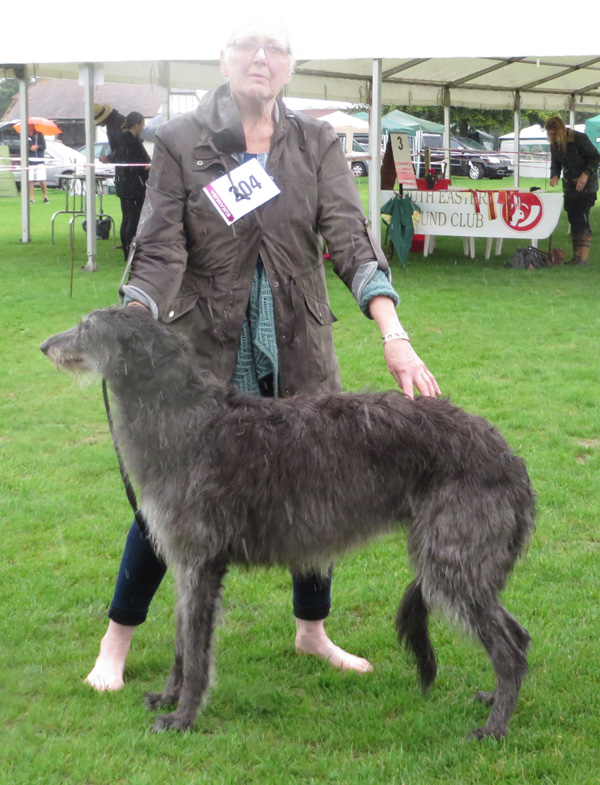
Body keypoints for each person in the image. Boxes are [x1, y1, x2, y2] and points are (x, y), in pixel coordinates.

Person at [85, 19, 440, 693]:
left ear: (289, 65)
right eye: (246, 45)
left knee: (312, 483)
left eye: (274, 47)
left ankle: (312, 630)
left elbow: (350, 238)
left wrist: (392, 331)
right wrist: (134, 315)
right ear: (221, 58)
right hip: (206, 357)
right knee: (170, 503)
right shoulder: (181, 140)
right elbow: (160, 247)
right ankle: (117, 639)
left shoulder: (317, 141)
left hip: (297, 342)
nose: (259, 57)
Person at [546, 115, 600, 266]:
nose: (552, 138)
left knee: (582, 220)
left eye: (554, 134)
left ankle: (583, 258)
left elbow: (595, 157)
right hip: (569, 187)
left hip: (586, 188)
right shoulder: (554, 144)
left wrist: (585, 174)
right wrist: (555, 175)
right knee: (573, 219)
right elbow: (555, 163)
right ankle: (576, 257)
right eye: (549, 135)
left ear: (562, 130)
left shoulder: (579, 139)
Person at [113, 112, 151, 260]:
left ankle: (127, 250)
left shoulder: (121, 139)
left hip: (124, 185)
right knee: (133, 220)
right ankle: (130, 252)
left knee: (127, 218)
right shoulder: (132, 142)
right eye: (142, 124)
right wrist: (148, 166)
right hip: (134, 186)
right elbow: (137, 165)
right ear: (136, 125)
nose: (143, 127)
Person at [27, 123, 49, 203]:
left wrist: (38, 147)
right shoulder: (25, 135)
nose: (28, 127)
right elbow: (22, 147)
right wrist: (30, 148)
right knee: (30, 180)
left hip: (39, 160)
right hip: (29, 161)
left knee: (41, 179)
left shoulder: (39, 135)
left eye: (30, 126)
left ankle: (45, 197)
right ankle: (32, 198)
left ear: (33, 126)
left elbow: (44, 146)